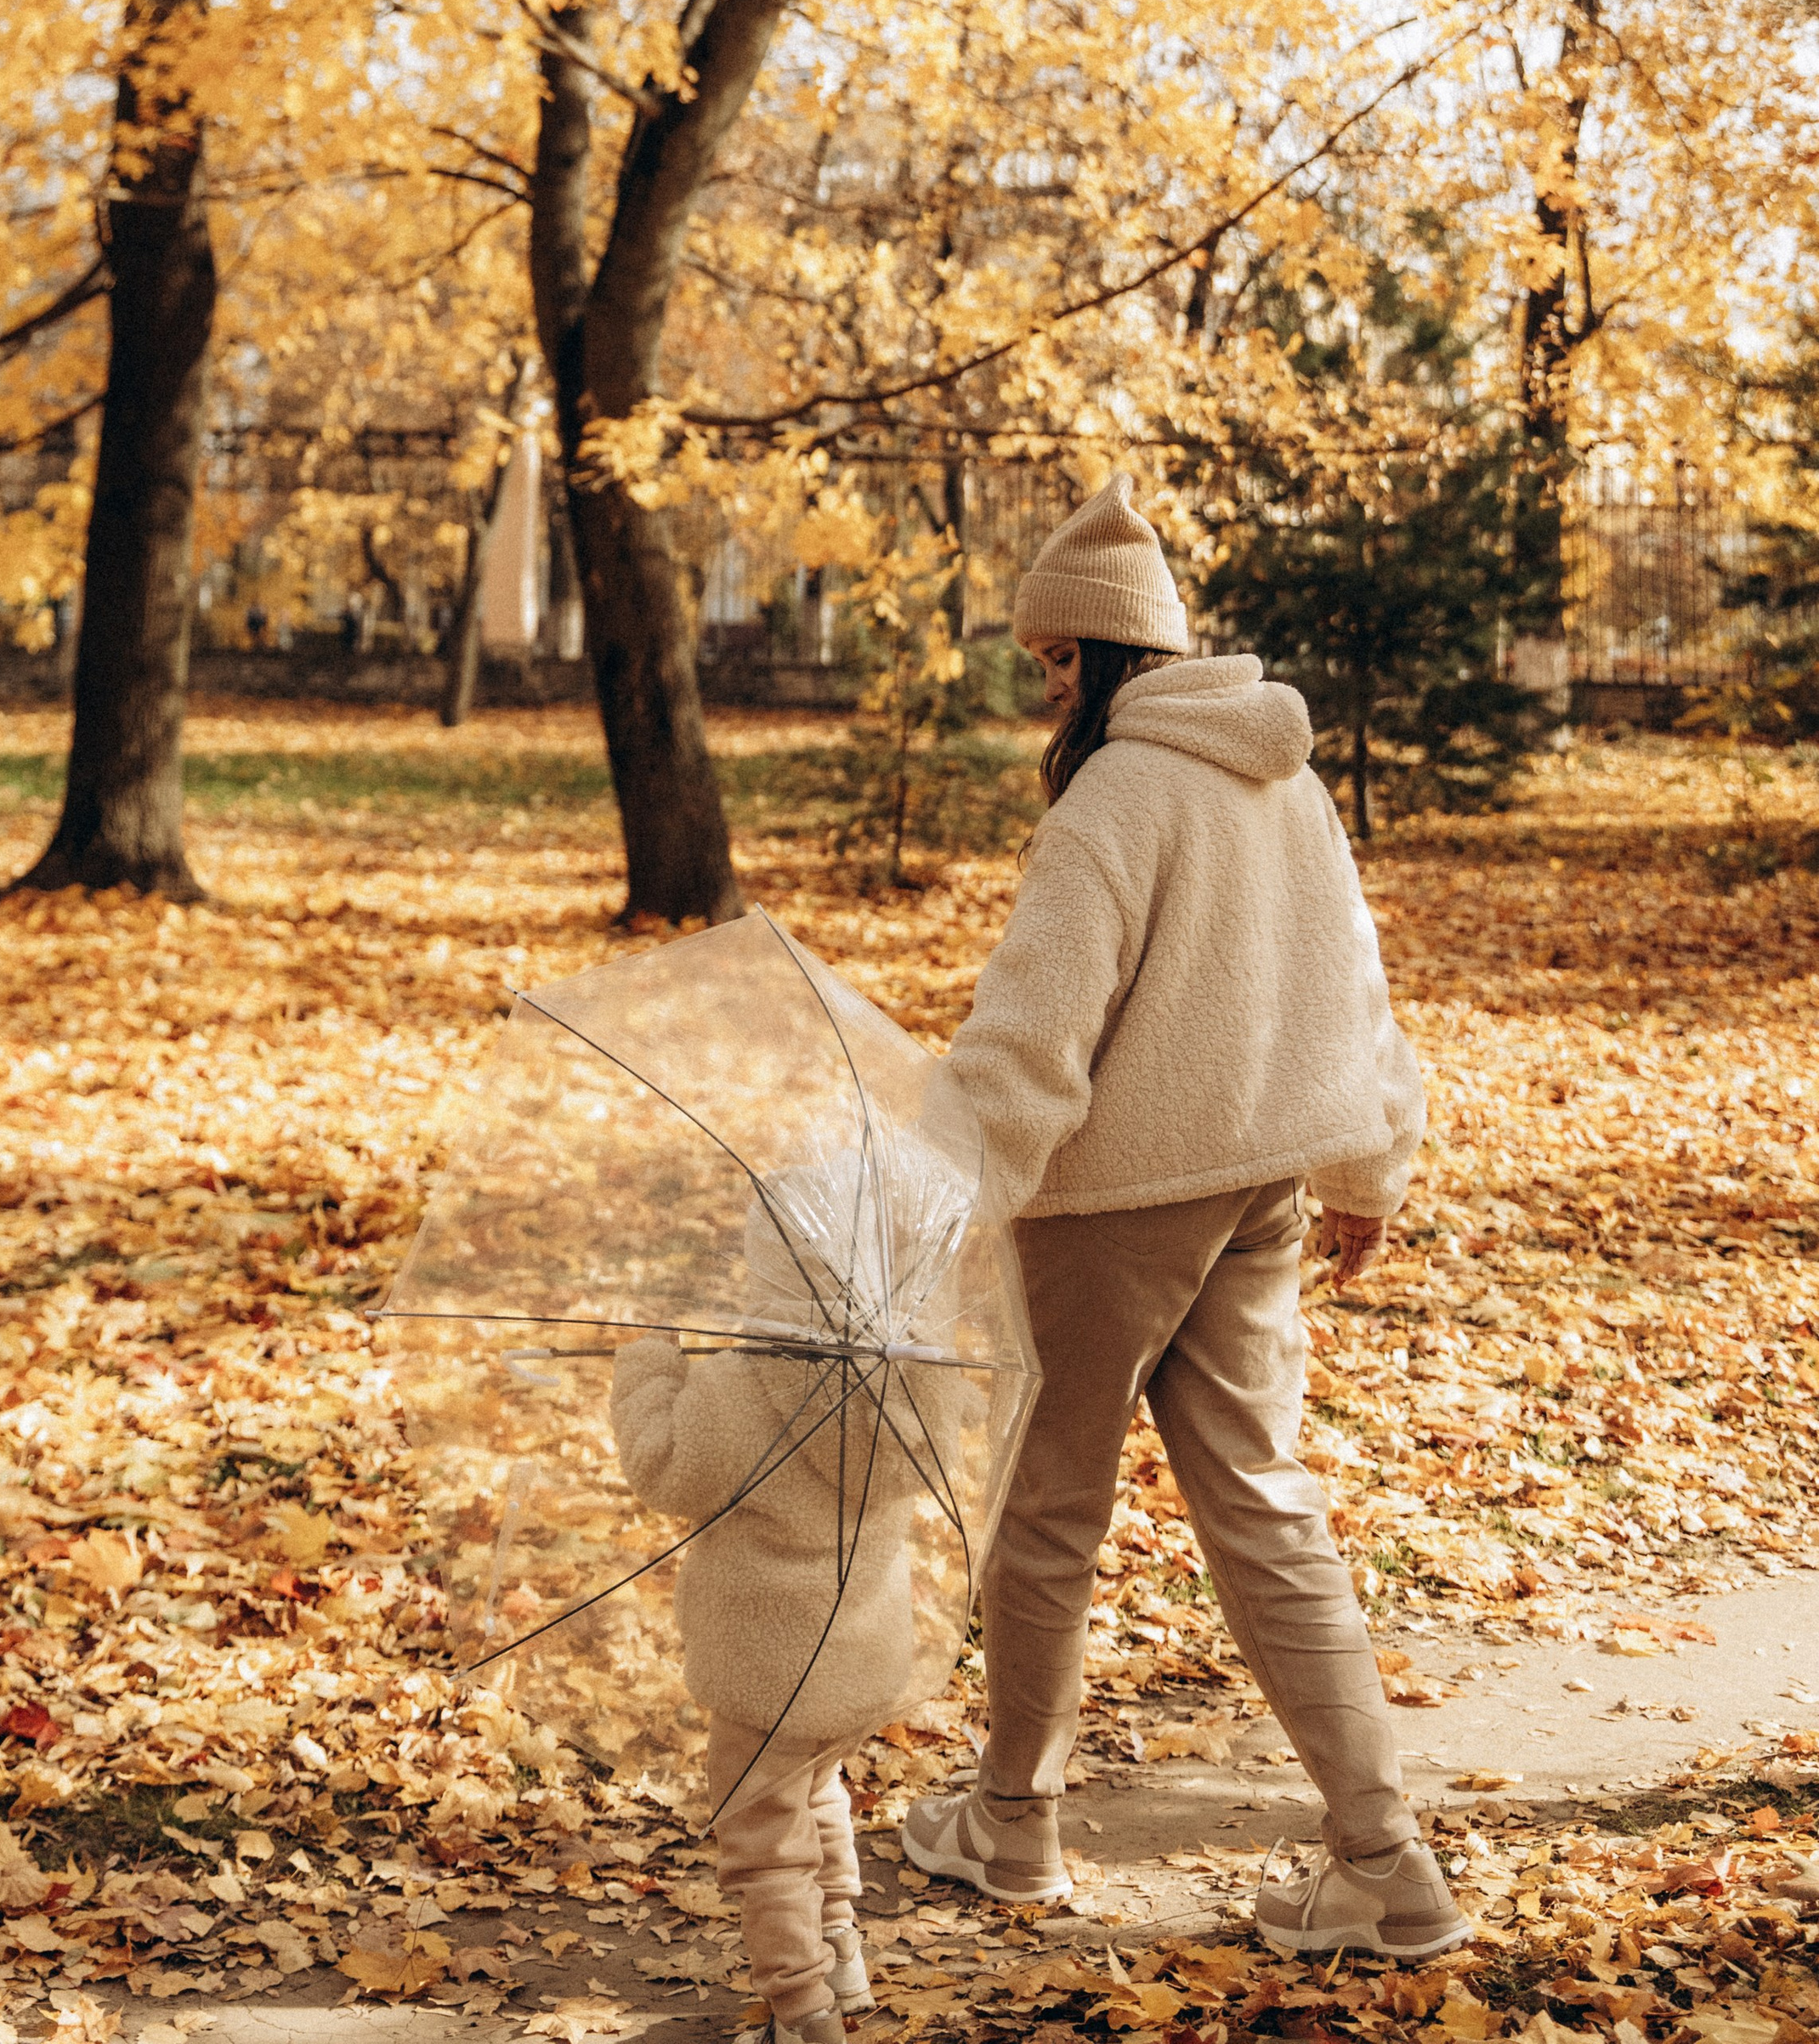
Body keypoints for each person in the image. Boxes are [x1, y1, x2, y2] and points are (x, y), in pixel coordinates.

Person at [901, 473, 1466, 1962]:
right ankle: (1386, 1862)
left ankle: (1011, 1825)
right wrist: (1370, 1171)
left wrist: (927, 1202)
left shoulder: (1114, 799)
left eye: (1054, 659)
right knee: (1266, 1505)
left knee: (1048, 1514)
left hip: (1108, 1208)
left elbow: (1029, 1045)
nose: (1045, 688)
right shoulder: (1287, 780)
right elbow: (1357, 989)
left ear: (1103, 652)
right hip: (1259, 1189)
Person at [612, 1145, 961, 2044]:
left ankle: (801, 2010)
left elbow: (661, 1466)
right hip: (858, 1657)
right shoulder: (911, 1382)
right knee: (817, 1791)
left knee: (764, 1841)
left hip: (764, 1670)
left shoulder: (737, 1390)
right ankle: (840, 1953)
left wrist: (648, 1362)